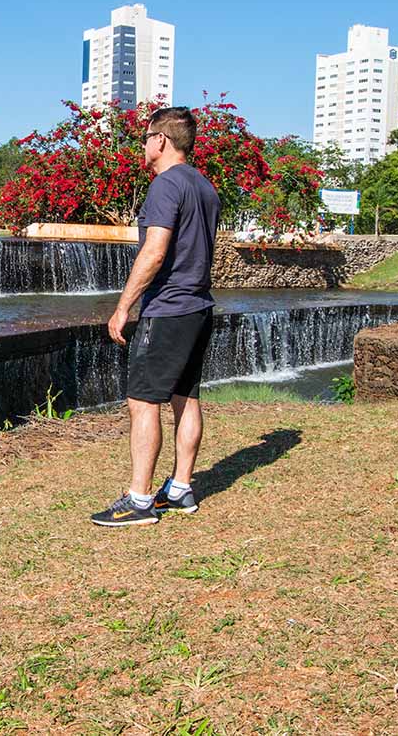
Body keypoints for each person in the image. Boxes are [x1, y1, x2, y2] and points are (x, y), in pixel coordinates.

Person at [92, 107, 222, 527]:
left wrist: (123, 305)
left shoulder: (165, 185)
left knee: (143, 401)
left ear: (162, 140)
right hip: (200, 307)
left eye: (146, 137)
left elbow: (155, 250)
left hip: (168, 309)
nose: (143, 145)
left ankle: (140, 499)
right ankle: (181, 489)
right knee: (186, 397)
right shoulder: (205, 187)